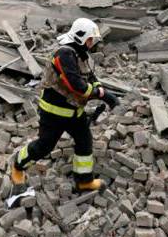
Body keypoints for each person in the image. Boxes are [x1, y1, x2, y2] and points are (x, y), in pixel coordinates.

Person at [10, 18, 118, 192]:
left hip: (75, 113)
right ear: (81, 38)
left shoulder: (82, 56)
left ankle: (84, 180)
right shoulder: (64, 54)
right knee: (44, 146)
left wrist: (100, 89)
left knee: (84, 142)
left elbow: (90, 78)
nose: (92, 43)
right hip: (53, 113)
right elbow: (77, 86)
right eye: (90, 39)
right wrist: (103, 95)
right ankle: (17, 166)